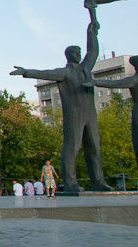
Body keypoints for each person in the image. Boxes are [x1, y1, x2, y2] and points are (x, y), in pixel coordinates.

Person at [12, 19, 111, 192]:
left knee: (94, 147)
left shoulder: (85, 68)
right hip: (74, 115)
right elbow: (45, 73)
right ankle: (71, 182)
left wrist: (91, 32)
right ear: (70, 55)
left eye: (80, 52)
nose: (80, 55)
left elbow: (93, 51)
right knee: (72, 147)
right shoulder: (65, 72)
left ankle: (98, 181)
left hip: (90, 114)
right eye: (76, 52)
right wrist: (26, 72)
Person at [86, 55, 138, 169]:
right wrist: (95, 82)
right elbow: (115, 83)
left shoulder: (133, 80)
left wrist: (95, 82)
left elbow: (115, 83)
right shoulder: (134, 80)